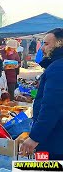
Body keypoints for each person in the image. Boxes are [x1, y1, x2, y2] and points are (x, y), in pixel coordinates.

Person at [20, 28, 63, 160]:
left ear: (60, 44)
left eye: (46, 44)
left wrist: (35, 137)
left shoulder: (58, 68)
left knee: (46, 167)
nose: (42, 48)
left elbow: (51, 107)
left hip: (54, 141)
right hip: (56, 137)